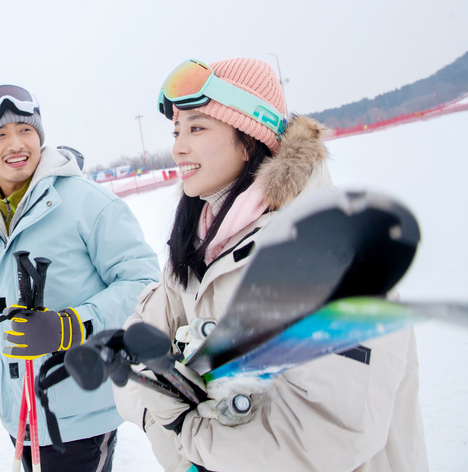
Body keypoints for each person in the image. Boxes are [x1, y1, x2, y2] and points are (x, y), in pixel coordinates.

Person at [112, 58, 428, 472]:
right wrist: (182, 439)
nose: (177, 147)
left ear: (248, 138)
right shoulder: (196, 249)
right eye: (176, 131)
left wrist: (190, 433)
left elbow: (327, 434)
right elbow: (134, 375)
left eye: (197, 127)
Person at [0, 84, 161, 472]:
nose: (16, 144)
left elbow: (145, 285)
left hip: (80, 412)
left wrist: (71, 325)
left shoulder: (88, 202)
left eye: (26, 131)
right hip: (18, 412)